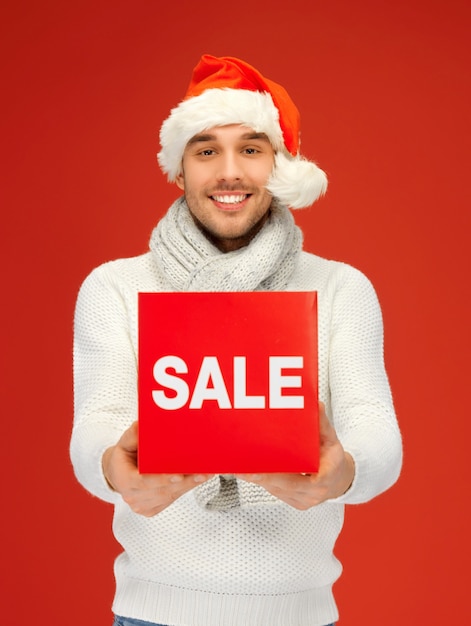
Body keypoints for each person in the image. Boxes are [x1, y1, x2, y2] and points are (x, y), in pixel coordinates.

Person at [71, 54, 402, 626]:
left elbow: (377, 430)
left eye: (251, 149)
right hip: (152, 614)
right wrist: (111, 469)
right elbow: (95, 424)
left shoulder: (340, 288)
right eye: (205, 151)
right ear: (178, 170)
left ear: (279, 165)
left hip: (299, 615)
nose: (230, 172)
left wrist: (341, 472)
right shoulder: (115, 286)